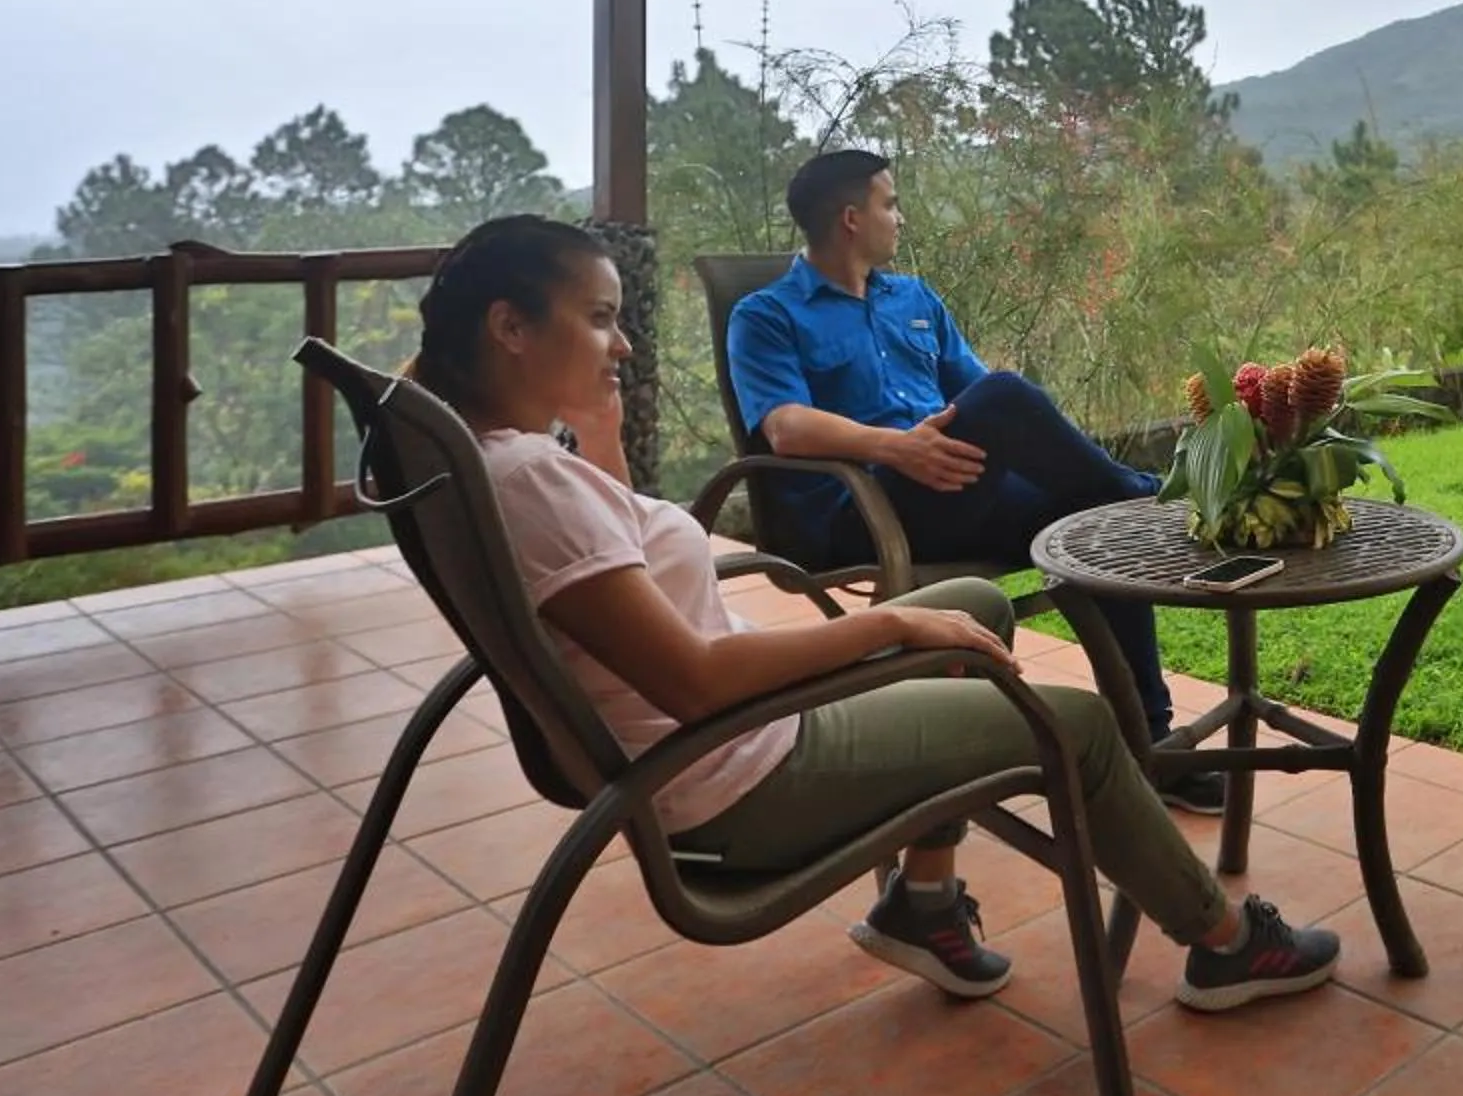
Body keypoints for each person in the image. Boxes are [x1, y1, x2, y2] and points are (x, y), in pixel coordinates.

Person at [412, 215, 1340, 1009]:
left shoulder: (501, 459)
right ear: (510, 328)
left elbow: (617, 565)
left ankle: (923, 903)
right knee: (1081, 725)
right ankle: (1225, 945)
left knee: (975, 604)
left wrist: (603, 439)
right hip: (734, 772)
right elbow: (692, 682)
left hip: (722, 737)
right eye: (602, 319)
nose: (623, 344)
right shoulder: (533, 479)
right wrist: (889, 624)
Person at [724, 149, 1223, 814]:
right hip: (864, 509)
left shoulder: (914, 298)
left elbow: (983, 400)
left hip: (954, 489)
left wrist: (978, 436)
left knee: (1090, 518)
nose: (899, 217)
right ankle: (1146, 496)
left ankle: (1152, 743)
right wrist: (896, 448)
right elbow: (785, 426)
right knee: (1030, 416)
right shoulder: (766, 316)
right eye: (889, 203)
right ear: (851, 218)